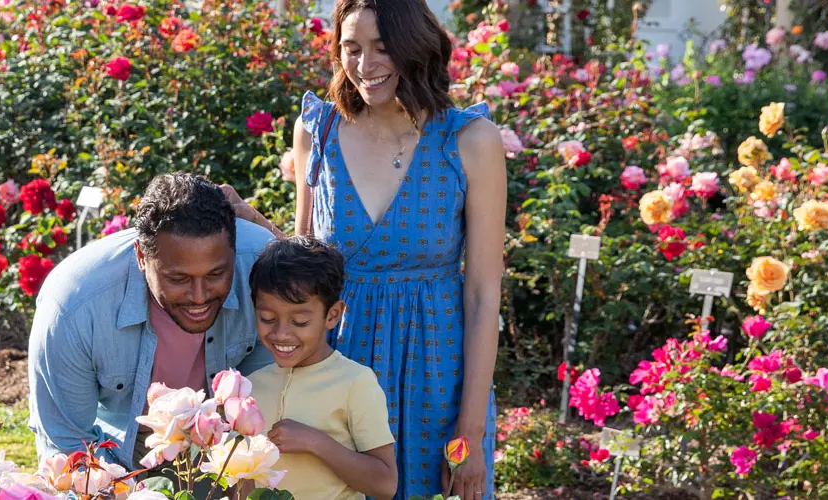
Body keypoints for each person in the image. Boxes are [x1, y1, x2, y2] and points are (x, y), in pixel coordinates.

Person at [288, 0, 507, 498]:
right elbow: (297, 272)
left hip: (436, 374)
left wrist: (469, 429)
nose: (366, 65)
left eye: (383, 47)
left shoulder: (469, 141)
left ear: (416, 45)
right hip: (337, 368)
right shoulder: (315, 133)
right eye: (352, 48)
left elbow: (482, 295)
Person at [27, 172, 282, 469]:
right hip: (119, 448)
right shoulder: (73, 307)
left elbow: (274, 390)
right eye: (178, 278)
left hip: (225, 439)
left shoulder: (260, 267)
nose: (199, 297)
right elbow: (68, 445)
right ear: (141, 256)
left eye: (215, 274)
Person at [248, 237, 397, 500]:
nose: (281, 333)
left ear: (333, 315)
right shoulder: (250, 386)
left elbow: (385, 484)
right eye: (267, 318)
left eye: (300, 321)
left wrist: (316, 443)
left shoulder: (356, 383)